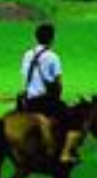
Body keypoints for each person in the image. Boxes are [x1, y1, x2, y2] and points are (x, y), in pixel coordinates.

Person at [20, 23, 82, 166]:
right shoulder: (52, 57)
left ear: (36, 37)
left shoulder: (27, 54)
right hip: (45, 102)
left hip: (28, 101)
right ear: (51, 38)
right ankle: (65, 154)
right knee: (75, 122)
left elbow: (24, 77)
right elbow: (58, 83)